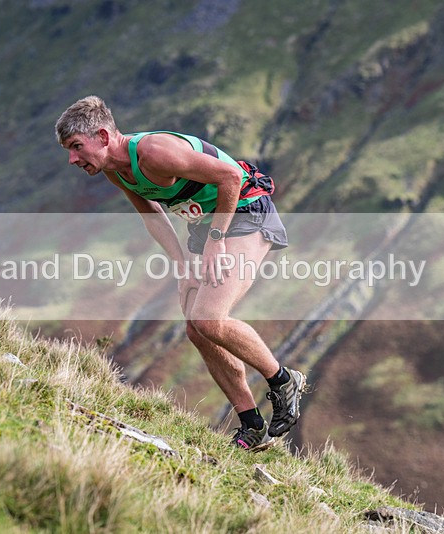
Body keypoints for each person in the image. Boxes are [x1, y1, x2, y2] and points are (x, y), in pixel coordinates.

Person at [55, 95, 306, 450]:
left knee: (209, 317)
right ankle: (252, 424)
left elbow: (231, 176)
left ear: (103, 135)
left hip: (246, 212)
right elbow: (152, 215)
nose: (72, 159)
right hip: (208, 225)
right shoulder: (116, 171)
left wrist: (216, 241)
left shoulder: (155, 152)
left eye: (77, 147)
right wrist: (183, 266)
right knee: (197, 329)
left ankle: (283, 381)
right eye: (68, 150)